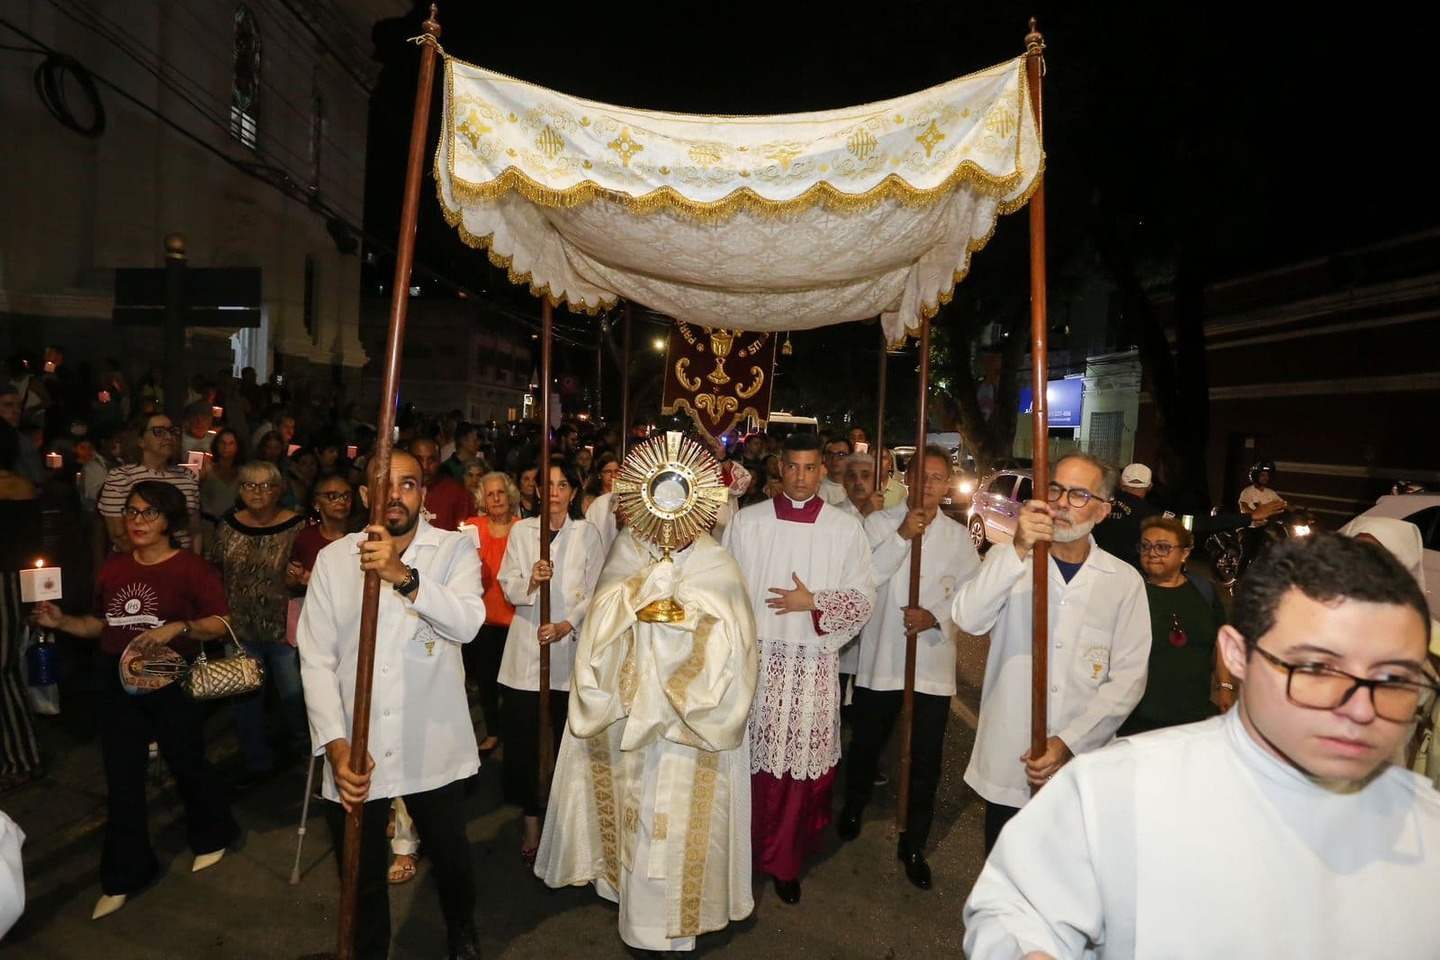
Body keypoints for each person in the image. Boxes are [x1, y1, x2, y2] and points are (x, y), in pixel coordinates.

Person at [963, 534, 1440, 958]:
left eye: (1394, 678)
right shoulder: (1115, 790)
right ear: (1238, 654)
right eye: (1316, 668)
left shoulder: (1426, 830)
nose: (1361, 709)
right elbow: (1017, 910)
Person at [536, 509, 759, 954]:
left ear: (703, 510)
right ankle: (635, 917)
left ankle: (677, 928)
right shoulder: (628, 551)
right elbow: (599, 624)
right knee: (635, 821)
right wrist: (639, 593)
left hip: (692, 726)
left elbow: (738, 640)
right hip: (632, 717)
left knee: (678, 825)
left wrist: (686, 619)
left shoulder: (717, 563)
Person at [296, 449, 486, 960]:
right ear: (365, 496)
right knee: (360, 874)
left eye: (409, 484)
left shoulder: (453, 550)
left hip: (432, 738)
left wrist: (404, 576)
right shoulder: (334, 561)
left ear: (423, 494)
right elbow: (315, 660)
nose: (396, 495)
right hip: (358, 745)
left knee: (450, 857)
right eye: (385, 484)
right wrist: (335, 746)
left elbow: (468, 622)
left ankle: (462, 931)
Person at [32, 482, 239, 919]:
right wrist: (63, 620)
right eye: (132, 512)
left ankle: (213, 834)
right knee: (122, 776)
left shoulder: (190, 568)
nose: (138, 521)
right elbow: (99, 626)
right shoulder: (113, 567)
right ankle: (126, 872)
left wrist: (178, 628)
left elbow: (220, 623)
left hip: (170, 677)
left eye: (149, 513)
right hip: (116, 679)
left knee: (187, 761)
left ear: (169, 520)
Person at [952, 452, 1151, 852]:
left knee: (1068, 890)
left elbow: (1128, 679)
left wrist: (1069, 742)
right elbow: (968, 617)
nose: (1062, 502)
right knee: (1006, 887)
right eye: (1056, 489)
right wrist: (1018, 546)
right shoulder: (1011, 561)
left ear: (1102, 511)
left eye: (1079, 495)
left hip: (1082, 765)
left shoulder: (1124, 581)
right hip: (1012, 756)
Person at [721, 432, 875, 904]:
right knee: (750, 764)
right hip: (757, 661)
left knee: (795, 773)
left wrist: (814, 602)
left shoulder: (844, 529)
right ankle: (739, 858)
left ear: (822, 471)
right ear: (779, 468)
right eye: (793, 468)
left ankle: (785, 863)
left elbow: (864, 598)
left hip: (810, 665)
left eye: (811, 468)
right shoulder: (748, 523)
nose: (802, 477)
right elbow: (722, 588)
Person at [837, 447, 981, 888]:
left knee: (925, 759)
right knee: (867, 742)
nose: (931, 485)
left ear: (946, 484)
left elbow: (973, 593)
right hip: (883, 656)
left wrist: (934, 613)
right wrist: (902, 534)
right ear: (909, 479)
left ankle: (914, 839)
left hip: (931, 661)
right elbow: (867, 578)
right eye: (923, 477)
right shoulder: (878, 524)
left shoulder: (959, 537)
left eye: (939, 478)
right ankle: (854, 804)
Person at [497, 461, 603, 864]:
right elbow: (508, 584)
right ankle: (530, 823)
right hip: (526, 647)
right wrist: (532, 581)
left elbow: (595, 589)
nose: (555, 491)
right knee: (525, 744)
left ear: (574, 492)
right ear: (538, 490)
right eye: (548, 484)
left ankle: (562, 823)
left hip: (565, 649)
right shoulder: (523, 532)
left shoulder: (587, 534)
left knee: (561, 741)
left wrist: (567, 623)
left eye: (563, 484)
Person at [208, 460, 308, 787]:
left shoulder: (297, 525)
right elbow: (216, 568)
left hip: (283, 626)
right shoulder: (228, 525)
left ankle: (309, 747)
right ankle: (256, 760)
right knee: (245, 699)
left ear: (279, 490)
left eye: (266, 485)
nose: (257, 492)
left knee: (294, 692)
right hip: (240, 627)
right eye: (250, 485)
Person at [1118, 515, 1234, 736]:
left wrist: (1225, 688)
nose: (1151, 553)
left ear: (1185, 553)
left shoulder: (1204, 591)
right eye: (1145, 546)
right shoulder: (1130, 591)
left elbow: (1221, 641)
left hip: (1193, 717)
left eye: (1162, 547)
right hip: (1138, 718)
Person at [461, 472, 519, 755]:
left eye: (501, 493)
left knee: (513, 684)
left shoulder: (523, 528)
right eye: (491, 494)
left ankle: (512, 732)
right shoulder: (472, 528)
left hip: (516, 620)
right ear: (482, 499)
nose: (496, 499)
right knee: (486, 681)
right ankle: (493, 732)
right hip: (483, 619)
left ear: (510, 497)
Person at [0, 422, 42, 792]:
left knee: (4, 667)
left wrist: (36, 596)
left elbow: (31, 548)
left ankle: (21, 756)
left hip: (6, 584)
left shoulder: (17, 487)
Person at [98, 412, 203, 554]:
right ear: (141, 441)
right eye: (158, 432)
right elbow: (119, 535)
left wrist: (194, 564)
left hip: (183, 564)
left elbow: (194, 530)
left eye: (172, 431)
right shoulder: (121, 477)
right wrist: (155, 562)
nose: (168, 437)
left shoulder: (187, 477)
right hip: (138, 564)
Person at [197, 428, 242, 542]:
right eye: (222, 443)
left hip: (232, 526)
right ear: (216, 445)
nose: (226, 447)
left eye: (231, 443)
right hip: (208, 524)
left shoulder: (242, 472)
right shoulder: (207, 469)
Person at [818, 437, 851, 505]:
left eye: (841, 454)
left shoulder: (856, 487)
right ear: (824, 458)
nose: (835, 458)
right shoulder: (815, 486)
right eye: (830, 454)